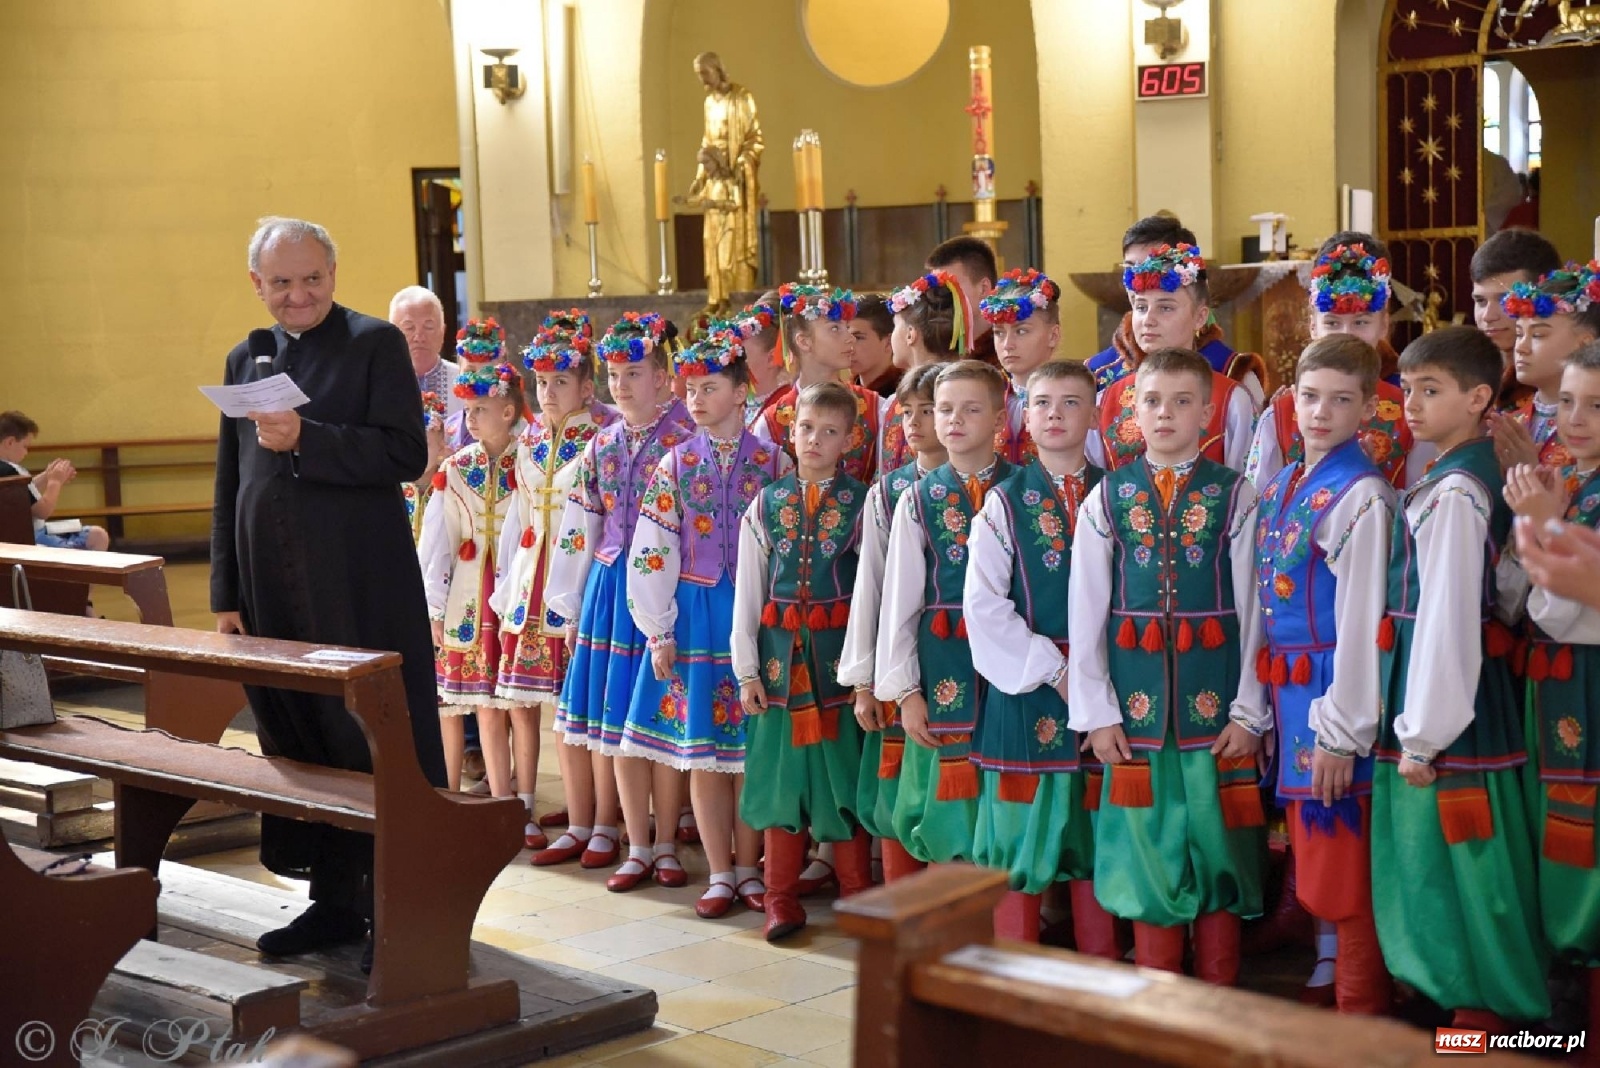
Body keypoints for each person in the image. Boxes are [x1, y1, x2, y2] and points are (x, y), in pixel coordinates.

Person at [211, 216, 446, 972]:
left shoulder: (373, 343)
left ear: (333, 276)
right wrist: (225, 588)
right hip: (269, 589)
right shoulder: (248, 355)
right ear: (258, 285)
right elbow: (227, 481)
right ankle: (333, 904)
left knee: (368, 737)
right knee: (297, 737)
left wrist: (307, 437)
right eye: (281, 282)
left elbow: (406, 454)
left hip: (358, 585)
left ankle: (402, 903)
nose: (298, 293)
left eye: (311, 278)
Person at [1068, 346, 1268, 984]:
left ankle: (1218, 993)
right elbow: (1086, 612)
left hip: (1215, 712)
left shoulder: (1235, 494)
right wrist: (1096, 711)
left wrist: (1249, 707)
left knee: (1218, 847)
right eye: (1152, 401)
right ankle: (1159, 996)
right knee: (1145, 850)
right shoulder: (1107, 497)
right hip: (1135, 713)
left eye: (1183, 402)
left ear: (1208, 413)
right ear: (1132, 410)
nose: (1165, 414)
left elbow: (1254, 606)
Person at [1370, 325, 1548, 1029]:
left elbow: (1448, 613)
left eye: (1431, 390)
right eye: (1408, 388)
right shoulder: (1471, 475)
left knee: (1460, 878)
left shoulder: (1455, 491)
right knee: (1470, 876)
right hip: (1471, 698)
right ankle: (1481, 1024)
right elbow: (1505, 592)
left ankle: (1480, 1033)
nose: (1410, 404)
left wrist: (1422, 735)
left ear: (1480, 397)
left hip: (1449, 715)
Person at [621, 327, 789, 912]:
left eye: (709, 387)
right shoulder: (676, 464)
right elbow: (652, 548)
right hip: (693, 613)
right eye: (690, 388)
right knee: (703, 747)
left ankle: (750, 868)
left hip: (755, 616)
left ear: (742, 392)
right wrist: (658, 629)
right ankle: (720, 871)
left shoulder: (773, 462)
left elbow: (785, 547)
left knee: (749, 747)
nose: (695, 398)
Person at [1253, 335, 1396, 1014]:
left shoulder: (1361, 495)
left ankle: (1358, 1009)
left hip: (1332, 697)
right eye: (1310, 397)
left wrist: (1344, 732)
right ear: (1291, 400)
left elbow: (1367, 620)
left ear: (1367, 408)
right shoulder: (1285, 482)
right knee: (1315, 854)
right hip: (1289, 694)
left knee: (1345, 865)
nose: (1320, 412)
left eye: (1341, 400)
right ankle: (1331, 980)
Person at [964, 360, 1116, 953]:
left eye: (1071, 402)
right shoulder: (1004, 502)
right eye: (1043, 402)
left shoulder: (1120, 493)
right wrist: (1056, 671)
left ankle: (1104, 973)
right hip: (1029, 692)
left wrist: (1092, 679)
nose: (1055, 414)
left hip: (1108, 689)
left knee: (1097, 836)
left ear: (1096, 413)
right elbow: (982, 605)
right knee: (1017, 841)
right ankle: (1013, 972)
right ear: (1025, 416)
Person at [545, 313, 693, 878]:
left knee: (659, 715)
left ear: (663, 377)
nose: (622, 385)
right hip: (611, 588)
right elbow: (580, 526)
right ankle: (632, 841)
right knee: (617, 723)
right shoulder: (602, 444)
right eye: (613, 373)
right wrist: (568, 594)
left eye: (634, 372)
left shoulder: (685, 442)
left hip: (664, 590)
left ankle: (666, 841)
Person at [735, 381, 873, 940]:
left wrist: (865, 673)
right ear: (790, 431)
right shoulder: (766, 504)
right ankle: (780, 898)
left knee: (843, 780)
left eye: (830, 431)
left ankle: (858, 895)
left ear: (851, 439)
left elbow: (872, 594)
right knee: (780, 782)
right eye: (806, 428)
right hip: (778, 670)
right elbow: (750, 589)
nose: (815, 440)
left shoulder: (863, 504)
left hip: (838, 671)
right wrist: (746, 669)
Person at [876, 360, 1014, 868]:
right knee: (942, 808)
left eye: (971, 409)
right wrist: (906, 692)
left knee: (1004, 805)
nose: (954, 420)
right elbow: (900, 602)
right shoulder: (919, 497)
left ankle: (1005, 930)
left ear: (1000, 419)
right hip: (941, 672)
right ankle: (948, 932)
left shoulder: (1024, 490)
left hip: (1010, 678)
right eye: (945, 409)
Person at [1502, 339, 1600, 1046]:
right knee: (1559, 838)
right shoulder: (1566, 480)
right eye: (1566, 402)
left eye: (1596, 405)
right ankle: (1560, 1016)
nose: (1577, 419)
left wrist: (1543, 526)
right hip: (1558, 688)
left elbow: (1554, 609)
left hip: (1588, 680)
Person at [490, 311, 617, 856]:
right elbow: (518, 518)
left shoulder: (603, 441)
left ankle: (607, 821)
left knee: (588, 708)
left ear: (587, 387)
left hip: (582, 583)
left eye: (560, 382)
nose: (547, 393)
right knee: (555, 711)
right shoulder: (529, 444)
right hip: (531, 586)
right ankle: (575, 817)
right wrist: (505, 589)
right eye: (540, 383)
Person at [837, 364, 947, 883]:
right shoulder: (888, 490)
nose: (918, 422)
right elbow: (870, 588)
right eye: (908, 412)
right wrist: (864, 681)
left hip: (961, 658)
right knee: (900, 788)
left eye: (930, 409)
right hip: (898, 661)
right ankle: (906, 915)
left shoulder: (996, 484)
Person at [419, 321, 524, 800]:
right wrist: (435, 608)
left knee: (507, 702)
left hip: (511, 589)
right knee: (466, 701)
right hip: (466, 595)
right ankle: (451, 794)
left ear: (506, 410)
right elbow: (437, 545)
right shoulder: (454, 469)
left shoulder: (526, 461)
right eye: (469, 408)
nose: (472, 418)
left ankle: (506, 795)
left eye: (481, 408)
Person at [1245, 236, 1419, 492]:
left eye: (1360, 322)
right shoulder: (1280, 415)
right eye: (1332, 322)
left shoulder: (1411, 413)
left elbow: (1421, 510)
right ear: (1313, 324)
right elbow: (1255, 507)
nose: (1345, 335)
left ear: (1384, 324)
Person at [1098, 244, 1259, 473]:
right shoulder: (1106, 401)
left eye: (1165, 308)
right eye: (1141, 307)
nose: (1148, 320)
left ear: (1200, 317)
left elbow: (1247, 488)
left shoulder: (1231, 400)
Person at [1086, 215, 1267, 402]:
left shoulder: (1232, 373)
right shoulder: (1098, 373)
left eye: (1155, 265)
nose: (1142, 279)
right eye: (1132, 268)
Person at [754, 284, 880, 482]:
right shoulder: (771, 423)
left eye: (847, 328)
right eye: (835, 329)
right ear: (804, 342)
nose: (849, 338)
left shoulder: (876, 407)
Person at [1492, 260, 1600, 472]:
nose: (1520, 348)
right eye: (1519, 334)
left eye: (1538, 335)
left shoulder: (1588, 432)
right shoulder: (1508, 423)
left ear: (1584, 344)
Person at [688, 52, 763, 317]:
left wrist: (742, 163)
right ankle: (716, 297)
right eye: (699, 76)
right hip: (714, 178)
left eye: (705, 74)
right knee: (712, 240)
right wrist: (700, 177)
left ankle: (736, 299)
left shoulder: (742, 98)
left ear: (718, 70)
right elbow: (706, 142)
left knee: (732, 245)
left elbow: (754, 138)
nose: (703, 80)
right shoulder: (709, 102)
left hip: (735, 180)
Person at [878, 271, 969, 473]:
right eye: (908, 412)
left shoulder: (963, 395)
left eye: (894, 328)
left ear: (910, 334)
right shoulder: (892, 403)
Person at [1469, 229, 1562, 409]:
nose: (1488, 316)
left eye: (1506, 300)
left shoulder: (1572, 382)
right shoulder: (1464, 375)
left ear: (1545, 298)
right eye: (1480, 301)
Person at [980, 268, 1063, 466]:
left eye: (1022, 331)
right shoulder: (984, 397)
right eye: (999, 333)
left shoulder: (1074, 398)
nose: (1008, 344)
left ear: (1053, 336)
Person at [0, 411, 111, 551]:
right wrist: (55, 482)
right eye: (25, 446)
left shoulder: (6, 470)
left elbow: (24, 493)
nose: (26, 452)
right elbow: (43, 511)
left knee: (96, 534)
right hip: (29, 537)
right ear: (10, 442)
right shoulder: (7, 471)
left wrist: (47, 476)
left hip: (29, 532)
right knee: (98, 537)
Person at [925, 236, 998, 369]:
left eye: (951, 287)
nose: (940, 297)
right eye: (935, 289)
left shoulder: (1007, 354)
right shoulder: (937, 352)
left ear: (984, 288)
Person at [389, 285, 461, 416]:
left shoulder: (463, 382)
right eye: (409, 328)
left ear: (442, 332)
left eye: (428, 327)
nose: (419, 337)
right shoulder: (376, 382)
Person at [402, 391, 447, 543]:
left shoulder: (451, 487)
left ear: (441, 448)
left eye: (425, 445)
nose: (415, 452)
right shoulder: (390, 487)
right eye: (409, 443)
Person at [850, 294, 902, 397]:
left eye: (858, 338)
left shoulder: (903, 394)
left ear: (888, 342)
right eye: (846, 337)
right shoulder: (845, 392)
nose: (849, 347)